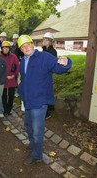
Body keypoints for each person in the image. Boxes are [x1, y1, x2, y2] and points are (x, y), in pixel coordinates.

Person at [17, 35, 72, 166]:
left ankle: (37, 155)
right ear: (21, 49)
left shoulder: (44, 57)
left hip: (40, 102)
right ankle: (32, 145)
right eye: (22, 46)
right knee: (28, 125)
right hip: (28, 100)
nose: (26, 48)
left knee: (37, 131)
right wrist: (21, 92)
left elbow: (58, 68)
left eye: (27, 44)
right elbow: (23, 80)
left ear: (32, 44)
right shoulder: (23, 61)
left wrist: (66, 62)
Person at [0, 41, 19, 115]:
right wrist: (5, 76)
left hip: (12, 79)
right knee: (4, 96)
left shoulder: (13, 56)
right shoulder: (0, 57)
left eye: (7, 47)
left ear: (9, 48)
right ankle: (5, 110)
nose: (5, 49)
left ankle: (9, 110)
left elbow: (17, 66)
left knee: (11, 95)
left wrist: (14, 75)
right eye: (4, 48)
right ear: (2, 49)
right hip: (4, 79)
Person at [42, 32, 58, 120]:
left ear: (51, 41)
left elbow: (53, 64)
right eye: (44, 39)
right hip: (42, 74)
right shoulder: (44, 50)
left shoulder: (53, 51)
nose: (44, 41)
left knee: (47, 92)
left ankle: (47, 113)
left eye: (46, 39)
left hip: (48, 74)